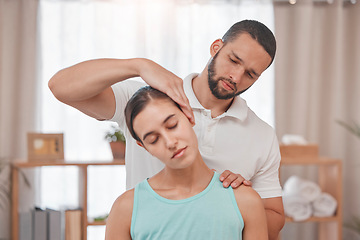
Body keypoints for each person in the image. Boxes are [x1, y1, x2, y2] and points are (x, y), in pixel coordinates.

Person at [48, 19, 285, 239]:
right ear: (216, 47)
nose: (236, 76)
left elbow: (273, 218)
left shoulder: (261, 136)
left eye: (250, 74)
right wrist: (139, 65)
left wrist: (236, 202)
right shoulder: (147, 102)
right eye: (234, 60)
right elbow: (60, 87)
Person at [105, 86, 268, 240]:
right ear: (144, 147)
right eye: (154, 140)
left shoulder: (245, 200)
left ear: (188, 115)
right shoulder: (126, 209)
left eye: (172, 125)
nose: (170, 142)